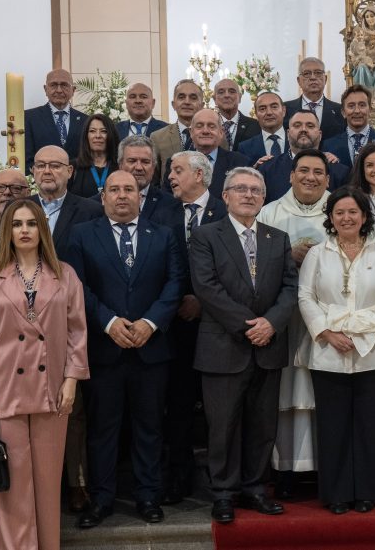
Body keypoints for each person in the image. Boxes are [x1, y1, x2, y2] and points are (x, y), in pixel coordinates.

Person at [0, 199, 89, 550]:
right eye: (17, 224)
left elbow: (77, 332)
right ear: (7, 231)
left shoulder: (65, 275)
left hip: (53, 392)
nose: (25, 230)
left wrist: (72, 380)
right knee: (13, 487)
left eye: (31, 223)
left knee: (47, 483)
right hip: (4, 391)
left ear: (42, 229)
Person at [66, 170, 184, 529]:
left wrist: (149, 323)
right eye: (114, 189)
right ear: (103, 197)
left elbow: (175, 282)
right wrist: (109, 322)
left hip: (151, 350)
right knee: (103, 429)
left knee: (150, 427)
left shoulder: (162, 235)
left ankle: (147, 495)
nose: (121, 196)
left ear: (139, 195)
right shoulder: (82, 234)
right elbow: (77, 286)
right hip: (105, 349)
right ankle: (102, 500)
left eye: (128, 189)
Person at [188, 167, 298, 523]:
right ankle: (223, 493)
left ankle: (254, 488)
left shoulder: (277, 238)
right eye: (241, 189)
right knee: (222, 426)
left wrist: (271, 323)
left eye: (255, 190)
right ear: (226, 196)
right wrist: (249, 325)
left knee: (262, 425)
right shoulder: (205, 236)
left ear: (264, 198)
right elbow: (206, 288)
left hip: (268, 346)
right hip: (224, 346)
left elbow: (290, 288)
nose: (249, 195)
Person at [298, 186, 375, 513]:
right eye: (339, 212)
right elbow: (305, 297)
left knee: (370, 425)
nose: (346, 217)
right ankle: (337, 494)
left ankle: (368, 492)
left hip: (374, 351)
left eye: (353, 212)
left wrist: (366, 330)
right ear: (331, 217)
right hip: (329, 352)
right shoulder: (318, 254)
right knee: (334, 426)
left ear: (364, 216)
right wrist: (327, 332)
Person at [28, 145, 102, 513]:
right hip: (22, 324)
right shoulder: (22, 211)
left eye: (55, 166)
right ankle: (37, 484)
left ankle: (77, 482)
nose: (47, 172)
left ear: (69, 171)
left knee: (72, 407)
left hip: (73, 319)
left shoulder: (90, 209)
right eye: (40, 165)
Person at [258, 149, 332, 494]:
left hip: (329, 320)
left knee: (324, 391)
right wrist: (287, 257)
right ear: (290, 175)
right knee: (285, 389)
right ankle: (285, 469)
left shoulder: (342, 209)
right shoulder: (270, 212)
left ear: (327, 179)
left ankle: (324, 467)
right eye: (303, 170)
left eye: (318, 172)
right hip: (284, 320)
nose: (310, 177)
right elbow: (253, 262)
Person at [162, 151, 227, 504]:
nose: (170, 175)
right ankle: (179, 478)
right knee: (179, 407)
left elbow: (235, 266)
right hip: (175, 327)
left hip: (218, 325)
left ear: (199, 175)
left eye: (177, 169)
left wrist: (204, 301)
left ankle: (222, 482)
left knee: (220, 409)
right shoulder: (162, 211)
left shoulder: (226, 209)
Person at [258, 110, 350, 203]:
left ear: (320, 134)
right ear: (288, 134)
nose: (303, 129)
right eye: (297, 125)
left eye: (310, 126)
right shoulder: (267, 169)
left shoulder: (339, 172)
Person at [162, 108, 248, 199]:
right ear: (191, 132)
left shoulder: (240, 163)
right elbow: (167, 200)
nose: (205, 131)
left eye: (211, 126)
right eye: (199, 126)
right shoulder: (174, 163)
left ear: (221, 132)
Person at [24, 69, 89, 168]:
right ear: (45, 89)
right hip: (42, 180)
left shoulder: (86, 121)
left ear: (73, 90)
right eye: (53, 85)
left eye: (64, 85)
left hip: (77, 180)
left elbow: (87, 157)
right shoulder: (29, 118)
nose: (59, 90)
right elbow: (27, 159)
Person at [118, 135, 182, 228]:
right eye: (132, 161)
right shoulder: (100, 204)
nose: (139, 167)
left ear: (154, 166)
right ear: (120, 165)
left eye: (145, 162)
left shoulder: (172, 205)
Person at [150, 79, 206, 178]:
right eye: (181, 97)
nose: (187, 102)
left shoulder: (215, 136)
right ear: (173, 104)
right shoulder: (158, 137)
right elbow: (153, 179)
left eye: (193, 98)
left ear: (202, 105)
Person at [282, 57, 346, 140]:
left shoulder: (339, 110)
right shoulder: (285, 109)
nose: (313, 77)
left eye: (318, 73)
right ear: (298, 81)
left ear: (325, 79)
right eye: (307, 73)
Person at [321, 85, 375, 168]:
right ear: (343, 112)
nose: (357, 111)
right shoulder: (329, 145)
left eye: (362, 105)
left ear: (370, 110)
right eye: (351, 106)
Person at [68, 114, 120, 197]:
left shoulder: (121, 167)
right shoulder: (73, 168)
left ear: (111, 135)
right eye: (92, 131)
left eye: (104, 131)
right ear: (86, 136)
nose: (98, 136)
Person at [236, 92, 289, 166]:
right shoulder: (245, 147)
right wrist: (254, 170)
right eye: (262, 109)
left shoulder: (298, 141)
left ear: (283, 111)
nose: (269, 112)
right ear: (256, 114)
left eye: (274, 107)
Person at [214, 78, 260, 150]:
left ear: (240, 98)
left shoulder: (255, 126)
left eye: (232, 92)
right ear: (214, 99)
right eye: (221, 92)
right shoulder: (207, 126)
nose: (227, 95)